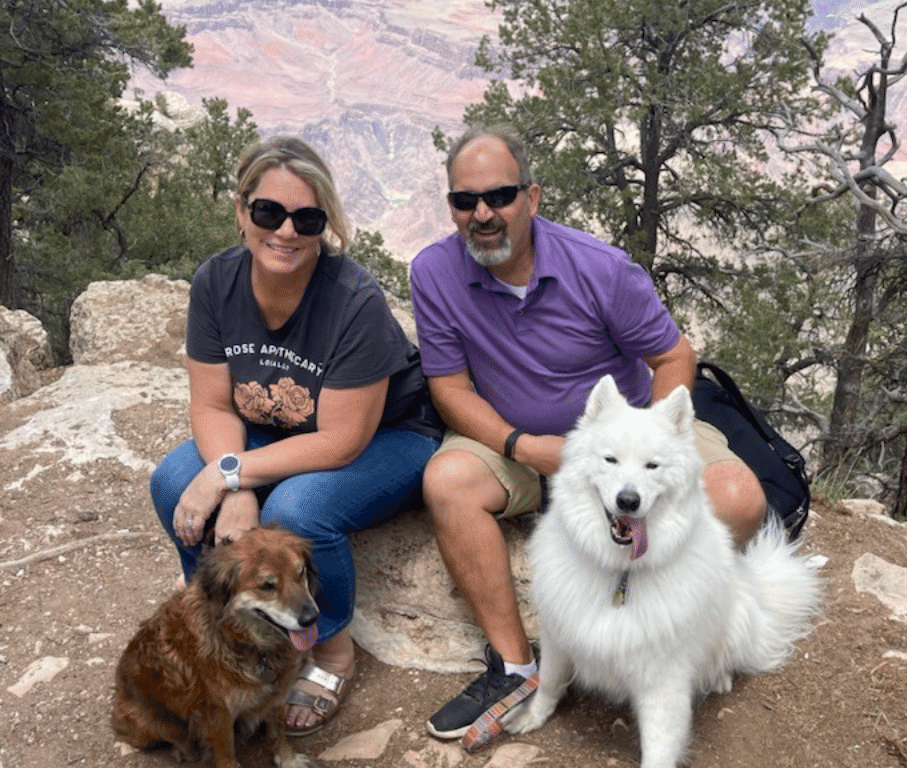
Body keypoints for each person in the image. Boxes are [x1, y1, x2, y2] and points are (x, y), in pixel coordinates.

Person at [409, 125, 767, 739]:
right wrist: (522, 447)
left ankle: (657, 630)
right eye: (465, 201)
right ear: (452, 207)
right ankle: (518, 665)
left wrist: (646, 447)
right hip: (517, 441)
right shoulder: (435, 272)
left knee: (738, 496)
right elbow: (450, 388)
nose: (483, 214)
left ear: (533, 197)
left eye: (499, 195)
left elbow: (674, 359)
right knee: (447, 483)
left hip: (621, 439)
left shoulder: (600, 269)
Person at [150, 135, 444, 737]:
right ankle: (225, 631)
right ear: (242, 211)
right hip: (278, 432)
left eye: (306, 218)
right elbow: (210, 404)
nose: (285, 230)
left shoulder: (352, 301)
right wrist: (229, 484)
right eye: (268, 212)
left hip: (387, 438)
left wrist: (233, 474)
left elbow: (340, 441)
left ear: (325, 224)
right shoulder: (216, 283)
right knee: (174, 480)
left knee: (297, 510)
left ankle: (331, 647)